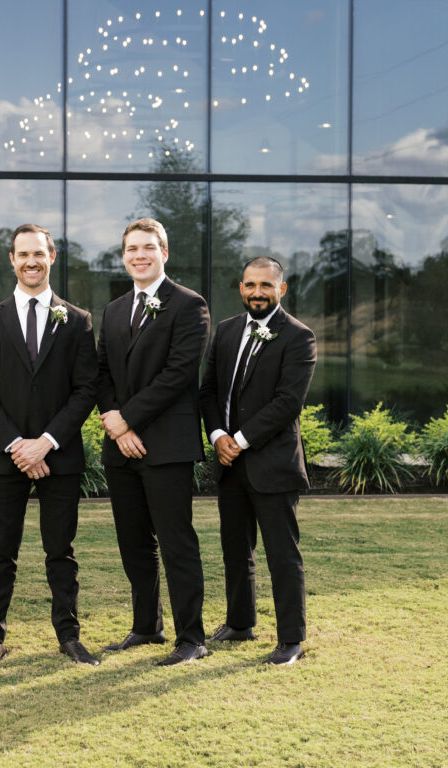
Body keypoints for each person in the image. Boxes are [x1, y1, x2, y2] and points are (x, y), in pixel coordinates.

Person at [0, 224, 99, 669]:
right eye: (23, 254)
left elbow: (85, 391)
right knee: (0, 551)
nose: (31, 261)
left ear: (52, 257)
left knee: (60, 551)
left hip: (58, 457)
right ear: (11, 259)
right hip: (6, 460)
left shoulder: (78, 320)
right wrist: (16, 446)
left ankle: (69, 636)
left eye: (38, 253)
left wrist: (44, 443)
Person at [96, 218, 212, 666]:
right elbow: (101, 372)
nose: (138, 255)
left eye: (147, 247)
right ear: (123, 256)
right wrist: (116, 425)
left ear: (165, 252)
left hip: (166, 445)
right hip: (121, 447)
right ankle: (146, 627)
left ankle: (192, 638)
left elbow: (179, 374)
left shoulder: (189, 305)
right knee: (134, 543)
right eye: (131, 249)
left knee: (176, 540)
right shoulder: (115, 309)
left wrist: (127, 419)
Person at [199, 256, 317, 665]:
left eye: (266, 286)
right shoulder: (227, 330)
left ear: (281, 290)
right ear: (241, 288)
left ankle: (291, 639)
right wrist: (218, 437)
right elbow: (209, 390)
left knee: (281, 553)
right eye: (250, 285)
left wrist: (240, 440)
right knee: (235, 547)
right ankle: (239, 622)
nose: (257, 293)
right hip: (228, 463)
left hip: (273, 464)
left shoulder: (299, 337)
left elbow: (288, 402)